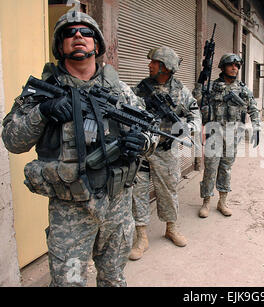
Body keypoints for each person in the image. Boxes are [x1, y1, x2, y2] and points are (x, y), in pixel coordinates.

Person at [1, 11, 154, 287]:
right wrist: (43, 112)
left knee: (114, 279)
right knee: (69, 283)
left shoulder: (120, 91)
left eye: (86, 32)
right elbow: (12, 140)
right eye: (70, 33)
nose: (78, 37)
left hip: (117, 207)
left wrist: (142, 143)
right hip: (70, 212)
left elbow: (149, 132)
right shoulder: (41, 92)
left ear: (97, 45)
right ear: (60, 47)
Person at [129, 46, 201, 260]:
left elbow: (195, 113)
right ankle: (141, 237)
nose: (149, 65)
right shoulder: (141, 89)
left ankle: (171, 228)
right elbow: (126, 108)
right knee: (137, 192)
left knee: (168, 191)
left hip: (166, 150)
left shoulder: (181, 90)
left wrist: (188, 128)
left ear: (165, 68)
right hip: (141, 150)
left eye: (154, 63)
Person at [198, 53, 260, 218]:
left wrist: (257, 127)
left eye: (237, 66)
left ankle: (222, 202)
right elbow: (196, 100)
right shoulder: (211, 87)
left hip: (233, 135)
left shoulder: (242, 89)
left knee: (226, 168)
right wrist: (201, 81)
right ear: (223, 66)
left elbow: (253, 108)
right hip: (214, 133)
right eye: (231, 65)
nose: (235, 68)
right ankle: (206, 202)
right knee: (210, 168)